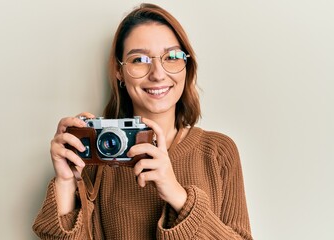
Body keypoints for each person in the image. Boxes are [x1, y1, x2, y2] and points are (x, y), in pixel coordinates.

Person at [33, 3, 253, 240]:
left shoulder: (218, 152)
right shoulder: (97, 154)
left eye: (172, 56)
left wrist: (177, 195)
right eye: (139, 59)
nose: (157, 73)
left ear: (186, 66)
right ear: (119, 72)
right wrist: (65, 183)